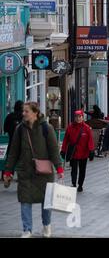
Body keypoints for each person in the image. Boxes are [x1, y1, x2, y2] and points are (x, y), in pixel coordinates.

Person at [3, 102, 64, 238]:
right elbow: (13, 152)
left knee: (45, 201)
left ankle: (46, 226)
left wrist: (59, 168)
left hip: (44, 172)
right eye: (23, 111)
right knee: (25, 200)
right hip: (25, 171)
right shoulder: (20, 129)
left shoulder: (46, 128)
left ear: (35, 112)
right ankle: (27, 229)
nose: (23, 114)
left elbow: (54, 150)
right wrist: (8, 171)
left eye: (26, 111)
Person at [61, 110, 94, 192]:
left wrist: (91, 151)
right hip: (74, 153)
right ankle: (74, 183)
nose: (78, 118)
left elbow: (90, 140)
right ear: (74, 118)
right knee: (74, 169)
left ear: (82, 117)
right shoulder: (70, 127)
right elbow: (66, 140)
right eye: (76, 117)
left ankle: (80, 185)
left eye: (80, 117)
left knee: (82, 170)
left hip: (84, 153)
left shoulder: (86, 128)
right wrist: (63, 150)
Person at [2, 100, 24, 180]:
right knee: (22, 160)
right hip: (22, 141)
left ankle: (7, 175)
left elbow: (5, 128)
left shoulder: (9, 116)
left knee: (10, 158)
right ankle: (20, 176)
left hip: (12, 140)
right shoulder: (24, 117)